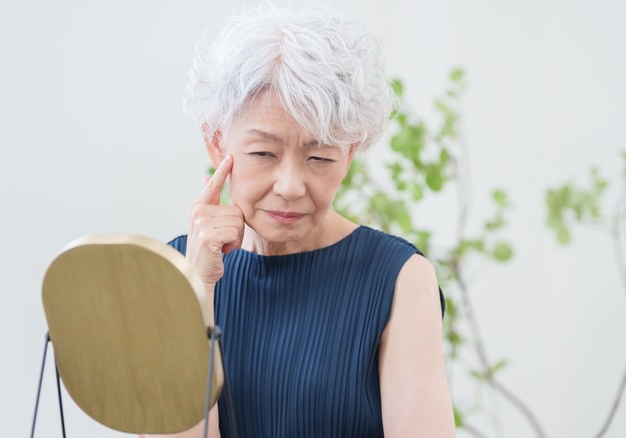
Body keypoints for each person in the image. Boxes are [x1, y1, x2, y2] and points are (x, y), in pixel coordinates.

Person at [152, 5, 456, 437]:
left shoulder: (400, 280)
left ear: (349, 155)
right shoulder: (171, 269)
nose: (291, 186)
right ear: (217, 145)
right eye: (263, 153)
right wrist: (197, 289)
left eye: (320, 157)